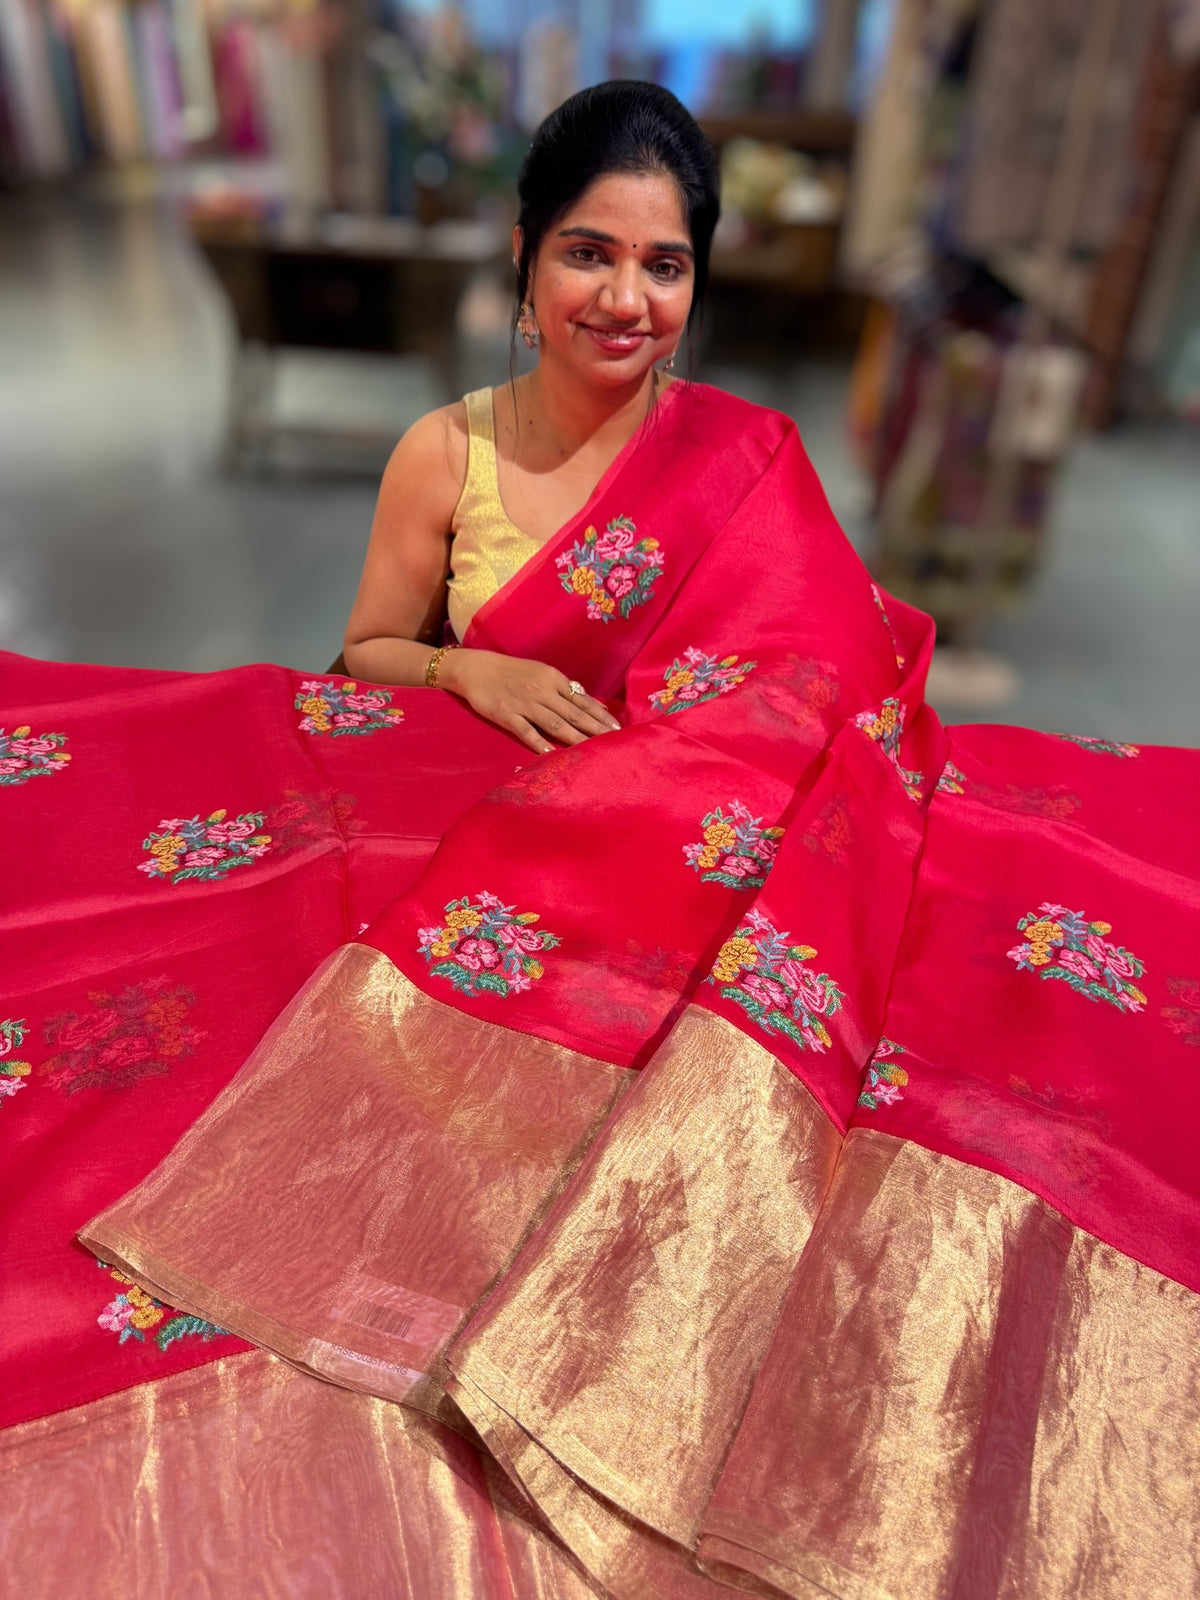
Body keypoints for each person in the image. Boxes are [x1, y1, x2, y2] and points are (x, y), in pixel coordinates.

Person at [5, 81, 1200, 1600]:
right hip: (500, 814)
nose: (626, 298)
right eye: (588, 253)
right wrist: (467, 667)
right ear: (522, 257)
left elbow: (822, 676)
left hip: (696, 839)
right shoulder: (444, 454)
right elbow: (361, 654)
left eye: (665, 262)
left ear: (697, 277)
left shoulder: (749, 457)